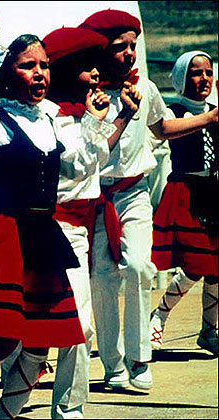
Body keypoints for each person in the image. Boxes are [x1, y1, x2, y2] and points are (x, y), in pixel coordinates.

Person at [0, 34, 111, 419]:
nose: (40, 73)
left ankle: (8, 414)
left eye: (44, 65)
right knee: (2, 338)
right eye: (28, 65)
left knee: (42, 339)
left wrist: (96, 123)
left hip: (44, 237)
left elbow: (78, 166)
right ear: (3, 74)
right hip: (4, 238)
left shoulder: (51, 119)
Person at [0, 26, 141, 419]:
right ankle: (5, 393)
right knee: (32, 324)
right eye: (85, 67)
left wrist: (123, 118)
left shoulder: (85, 114)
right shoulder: (46, 117)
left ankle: (69, 406)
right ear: (64, 72)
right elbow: (75, 162)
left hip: (85, 226)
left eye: (95, 66)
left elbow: (93, 158)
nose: (95, 74)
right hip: (51, 230)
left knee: (79, 326)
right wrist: (99, 122)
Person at [78, 9, 218, 390]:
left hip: (135, 192)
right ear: (101, 50)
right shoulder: (87, 95)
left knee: (141, 267)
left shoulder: (149, 89)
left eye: (133, 46)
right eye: (119, 46)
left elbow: (163, 127)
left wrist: (208, 119)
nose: (128, 53)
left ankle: (140, 358)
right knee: (104, 279)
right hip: (97, 197)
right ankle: (113, 364)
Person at [149, 51, 218, 356]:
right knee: (195, 264)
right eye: (195, 73)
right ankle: (160, 315)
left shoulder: (215, 111)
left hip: (213, 193)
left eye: (207, 72)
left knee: (216, 266)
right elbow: (164, 132)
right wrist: (209, 118)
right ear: (181, 79)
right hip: (186, 194)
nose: (203, 79)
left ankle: (209, 331)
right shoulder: (173, 111)